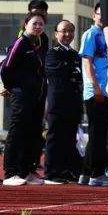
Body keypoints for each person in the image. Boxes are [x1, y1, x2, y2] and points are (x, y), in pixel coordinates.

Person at [1, 12, 49, 186]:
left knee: (34, 133)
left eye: (41, 24)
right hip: (22, 95)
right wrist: (12, 87)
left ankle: (26, 170)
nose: (38, 27)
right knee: (17, 131)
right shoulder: (20, 43)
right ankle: (10, 172)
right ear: (26, 24)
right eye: (34, 23)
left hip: (38, 96)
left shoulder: (42, 43)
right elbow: (6, 68)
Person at [44, 20, 89, 185]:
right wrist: (72, 71)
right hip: (58, 102)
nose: (68, 34)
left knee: (69, 138)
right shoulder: (52, 53)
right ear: (56, 33)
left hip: (74, 102)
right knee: (55, 137)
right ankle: (51, 172)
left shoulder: (75, 54)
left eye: (71, 31)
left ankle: (65, 170)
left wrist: (72, 71)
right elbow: (56, 72)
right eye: (64, 31)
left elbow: (79, 75)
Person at [80, 4, 108, 184]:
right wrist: (96, 88)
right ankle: (97, 174)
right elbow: (87, 63)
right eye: (100, 14)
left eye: (106, 15)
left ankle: (86, 173)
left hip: (107, 89)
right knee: (98, 134)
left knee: (98, 133)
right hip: (96, 91)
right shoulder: (91, 34)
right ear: (94, 16)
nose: (102, 18)